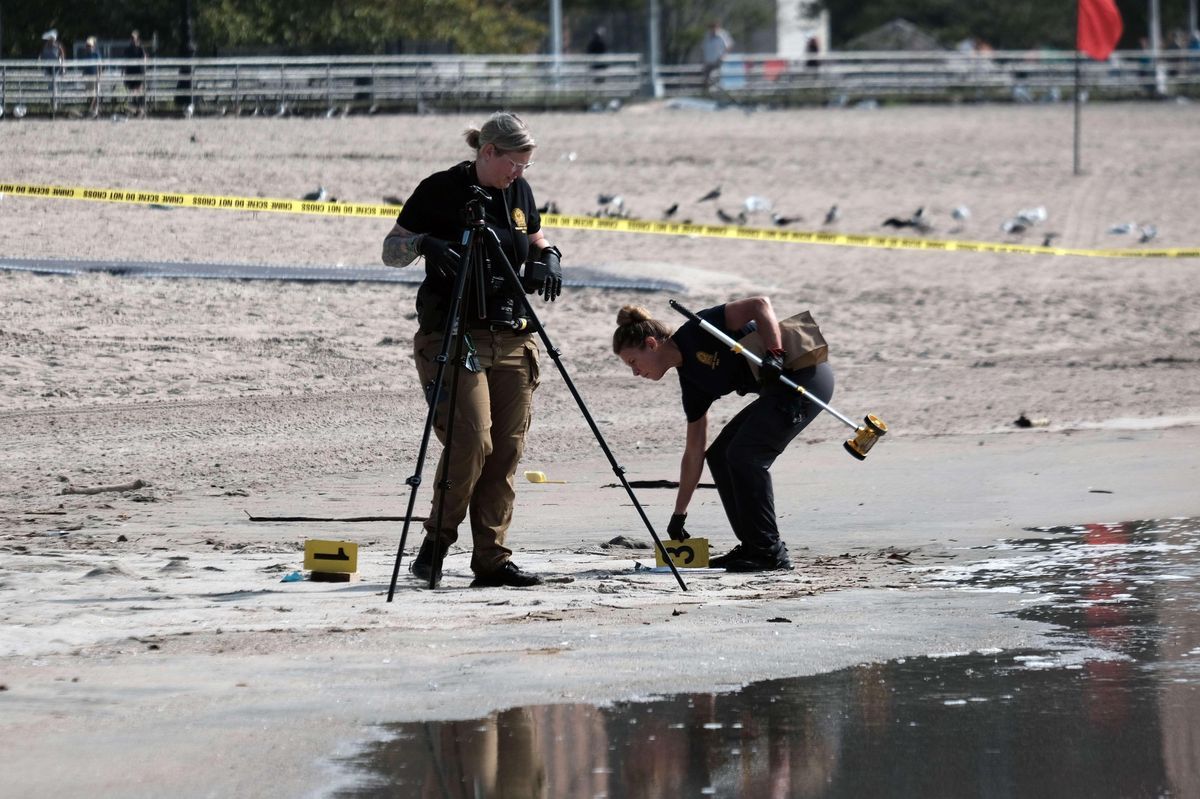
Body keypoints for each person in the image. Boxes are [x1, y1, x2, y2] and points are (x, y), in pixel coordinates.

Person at [381, 111, 563, 588]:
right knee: (471, 440)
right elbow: (390, 250)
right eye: (513, 163)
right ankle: (436, 544)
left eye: (525, 166)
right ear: (487, 152)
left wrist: (550, 259)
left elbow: (536, 237)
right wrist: (426, 244)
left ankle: (492, 560)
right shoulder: (440, 189)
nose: (518, 174)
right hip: (453, 333)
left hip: (513, 336)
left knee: (505, 451)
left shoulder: (519, 192)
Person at [612, 297, 834, 572]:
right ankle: (754, 546)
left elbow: (759, 305)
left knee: (745, 455)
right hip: (779, 392)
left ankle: (769, 551)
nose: (635, 373)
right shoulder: (692, 384)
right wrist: (679, 514)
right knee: (719, 455)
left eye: (633, 362)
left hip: (805, 377)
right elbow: (694, 453)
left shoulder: (700, 328)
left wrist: (774, 353)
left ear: (651, 344)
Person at [701, 20, 733, 91]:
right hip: (709, 61)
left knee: (717, 77)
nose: (713, 29)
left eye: (714, 27)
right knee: (706, 78)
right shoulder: (707, 36)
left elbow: (729, 46)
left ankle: (719, 91)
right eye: (711, 27)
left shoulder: (722, 35)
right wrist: (704, 60)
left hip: (719, 60)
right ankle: (707, 92)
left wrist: (723, 55)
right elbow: (704, 48)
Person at [122, 30, 148, 116]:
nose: (133, 40)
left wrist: (143, 64)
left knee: (139, 91)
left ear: (138, 39)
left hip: (139, 72)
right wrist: (123, 72)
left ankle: (140, 109)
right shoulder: (127, 49)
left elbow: (145, 59)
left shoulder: (141, 48)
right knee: (132, 92)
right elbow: (125, 61)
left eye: (134, 38)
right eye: (132, 38)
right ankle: (135, 109)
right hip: (130, 72)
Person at [81, 36, 103, 117]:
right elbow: (84, 66)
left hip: (95, 76)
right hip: (87, 76)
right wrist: (83, 74)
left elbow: (100, 65)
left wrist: (99, 75)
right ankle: (91, 110)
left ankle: (94, 110)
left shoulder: (96, 54)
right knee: (89, 94)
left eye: (89, 46)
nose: (88, 47)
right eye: (87, 46)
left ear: (93, 46)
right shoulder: (85, 55)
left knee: (95, 94)